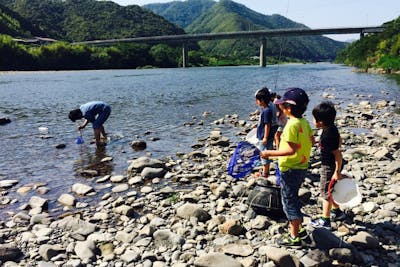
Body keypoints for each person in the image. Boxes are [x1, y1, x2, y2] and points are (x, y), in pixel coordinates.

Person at [260, 87, 314, 247]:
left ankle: (294, 237)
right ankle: (300, 229)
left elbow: (291, 150)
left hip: (290, 169)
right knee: (293, 196)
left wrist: (269, 153)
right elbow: (311, 140)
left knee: (289, 202)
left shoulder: (291, 125)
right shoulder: (304, 122)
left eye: (282, 105)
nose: (280, 107)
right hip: (301, 166)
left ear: (288, 108)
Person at [310, 101, 346, 229]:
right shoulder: (331, 129)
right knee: (331, 190)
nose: (312, 119)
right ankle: (337, 212)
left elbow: (337, 154)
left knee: (325, 192)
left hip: (329, 166)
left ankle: (325, 220)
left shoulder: (327, 135)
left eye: (314, 118)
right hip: (331, 164)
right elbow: (339, 140)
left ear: (320, 122)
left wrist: (337, 171)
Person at [255, 87, 278, 178]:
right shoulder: (267, 108)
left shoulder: (266, 110)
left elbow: (267, 124)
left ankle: (265, 173)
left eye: (257, 100)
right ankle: (266, 171)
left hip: (264, 137)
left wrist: (265, 137)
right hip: (268, 136)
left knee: (263, 153)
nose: (256, 102)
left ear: (262, 100)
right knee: (266, 152)